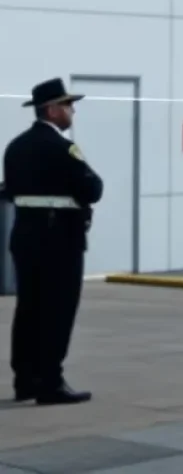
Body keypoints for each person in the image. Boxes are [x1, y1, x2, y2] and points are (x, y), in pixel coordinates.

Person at [1, 79, 103, 404]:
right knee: (57, 310)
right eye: (68, 105)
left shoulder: (16, 146)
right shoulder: (61, 147)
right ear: (52, 109)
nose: (72, 110)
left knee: (29, 308)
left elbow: (9, 190)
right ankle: (50, 383)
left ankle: (26, 380)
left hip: (26, 235)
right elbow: (92, 189)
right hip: (60, 238)